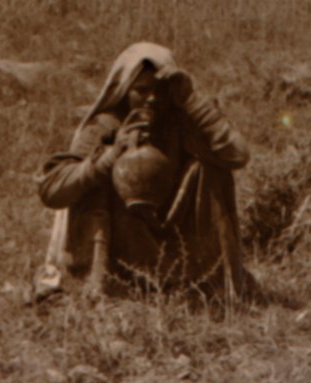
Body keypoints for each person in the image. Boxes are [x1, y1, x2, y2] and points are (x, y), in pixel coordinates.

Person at [37, 42, 251, 304]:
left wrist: (193, 102)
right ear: (124, 89)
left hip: (173, 248)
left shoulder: (179, 123)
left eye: (160, 90)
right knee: (93, 182)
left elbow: (238, 155)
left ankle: (207, 285)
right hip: (119, 251)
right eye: (142, 90)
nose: (152, 98)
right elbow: (51, 191)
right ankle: (101, 285)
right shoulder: (106, 125)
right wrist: (108, 159)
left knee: (213, 169)